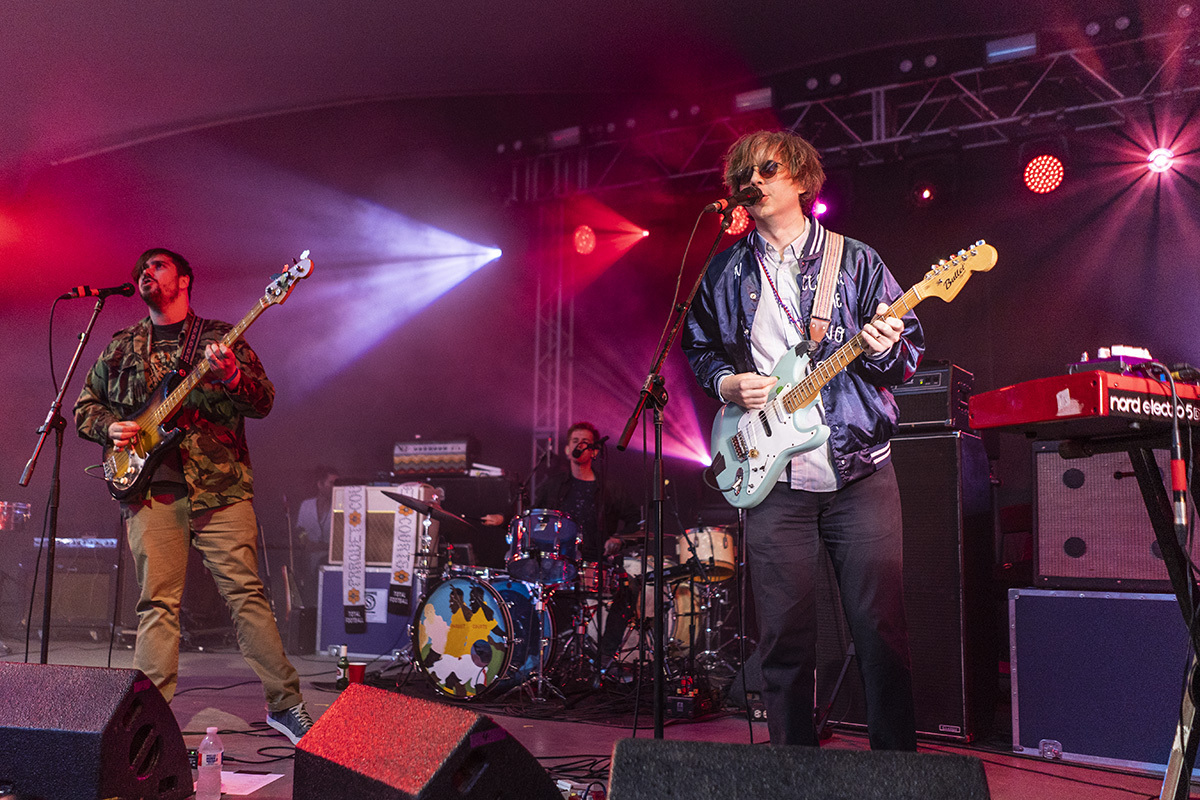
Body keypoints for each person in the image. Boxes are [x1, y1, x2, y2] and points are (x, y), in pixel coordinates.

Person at [683, 130, 925, 750]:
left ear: (799, 178)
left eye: (767, 169)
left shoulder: (856, 260)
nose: (754, 181)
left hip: (858, 471)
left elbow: (906, 360)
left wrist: (885, 346)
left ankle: (897, 777)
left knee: (880, 633)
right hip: (771, 479)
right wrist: (727, 383)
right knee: (784, 642)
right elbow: (698, 347)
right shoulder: (726, 270)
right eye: (744, 173)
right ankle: (793, 774)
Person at [74, 248, 313, 745]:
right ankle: (151, 723)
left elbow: (263, 400)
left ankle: (286, 706)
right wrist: (108, 427)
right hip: (150, 489)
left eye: (157, 265)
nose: (145, 271)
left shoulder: (220, 338)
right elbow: (83, 407)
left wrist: (229, 376)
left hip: (219, 489)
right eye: (140, 266)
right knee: (156, 605)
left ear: (185, 279)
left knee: (246, 596)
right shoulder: (120, 347)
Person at [294, 464, 339, 607]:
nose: (335, 487)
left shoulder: (340, 508)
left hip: (330, 567)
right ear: (320, 484)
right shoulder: (306, 505)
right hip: (308, 567)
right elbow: (299, 532)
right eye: (332, 483)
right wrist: (304, 542)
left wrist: (319, 546)